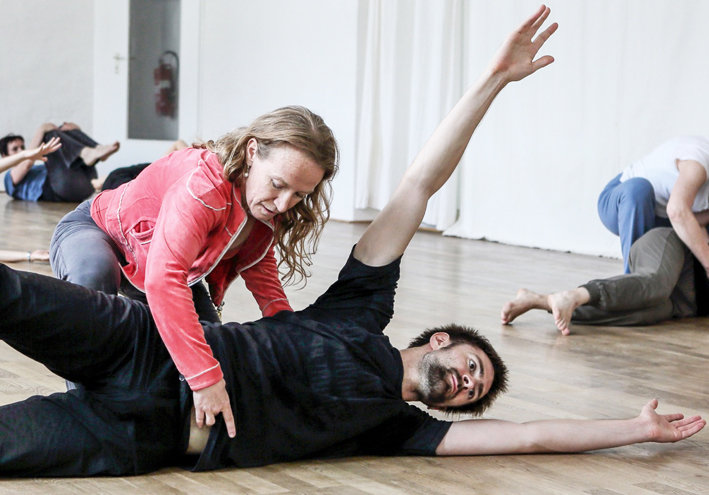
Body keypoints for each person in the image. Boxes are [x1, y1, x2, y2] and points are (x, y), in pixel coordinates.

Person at [0, 5, 704, 478]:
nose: (466, 382)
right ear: (439, 339)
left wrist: (632, 428)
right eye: (470, 366)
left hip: (148, 435)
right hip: (145, 345)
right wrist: (491, 81)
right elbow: (416, 187)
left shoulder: (397, 427)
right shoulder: (356, 315)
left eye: (470, 392)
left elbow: (531, 436)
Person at [49, 106, 339, 439]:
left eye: (300, 194)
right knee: (95, 284)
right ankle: (85, 409)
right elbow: (164, 280)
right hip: (97, 228)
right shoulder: (204, 187)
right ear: (252, 152)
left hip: (155, 265)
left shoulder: (267, 207)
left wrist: (295, 341)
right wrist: (203, 378)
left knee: (214, 347)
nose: (285, 204)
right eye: (278, 184)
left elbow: (261, 272)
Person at [501, 225, 707, 335]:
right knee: (656, 283)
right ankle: (575, 295)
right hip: (674, 250)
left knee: (644, 314)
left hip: (685, 302)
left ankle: (542, 300)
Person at [597, 136, 709, 273]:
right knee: (639, 189)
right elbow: (677, 211)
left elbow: (692, 221)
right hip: (622, 202)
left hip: (664, 218)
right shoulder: (697, 162)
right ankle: (633, 277)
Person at [1, 122, 119, 202]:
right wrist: (42, 129)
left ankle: (96, 150)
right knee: (50, 135)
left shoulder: (41, 168)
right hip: (59, 191)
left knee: (65, 130)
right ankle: (89, 152)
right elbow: (26, 164)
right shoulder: (8, 177)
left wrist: (75, 130)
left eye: (22, 147)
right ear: (4, 156)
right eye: (15, 149)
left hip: (86, 185)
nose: (21, 150)